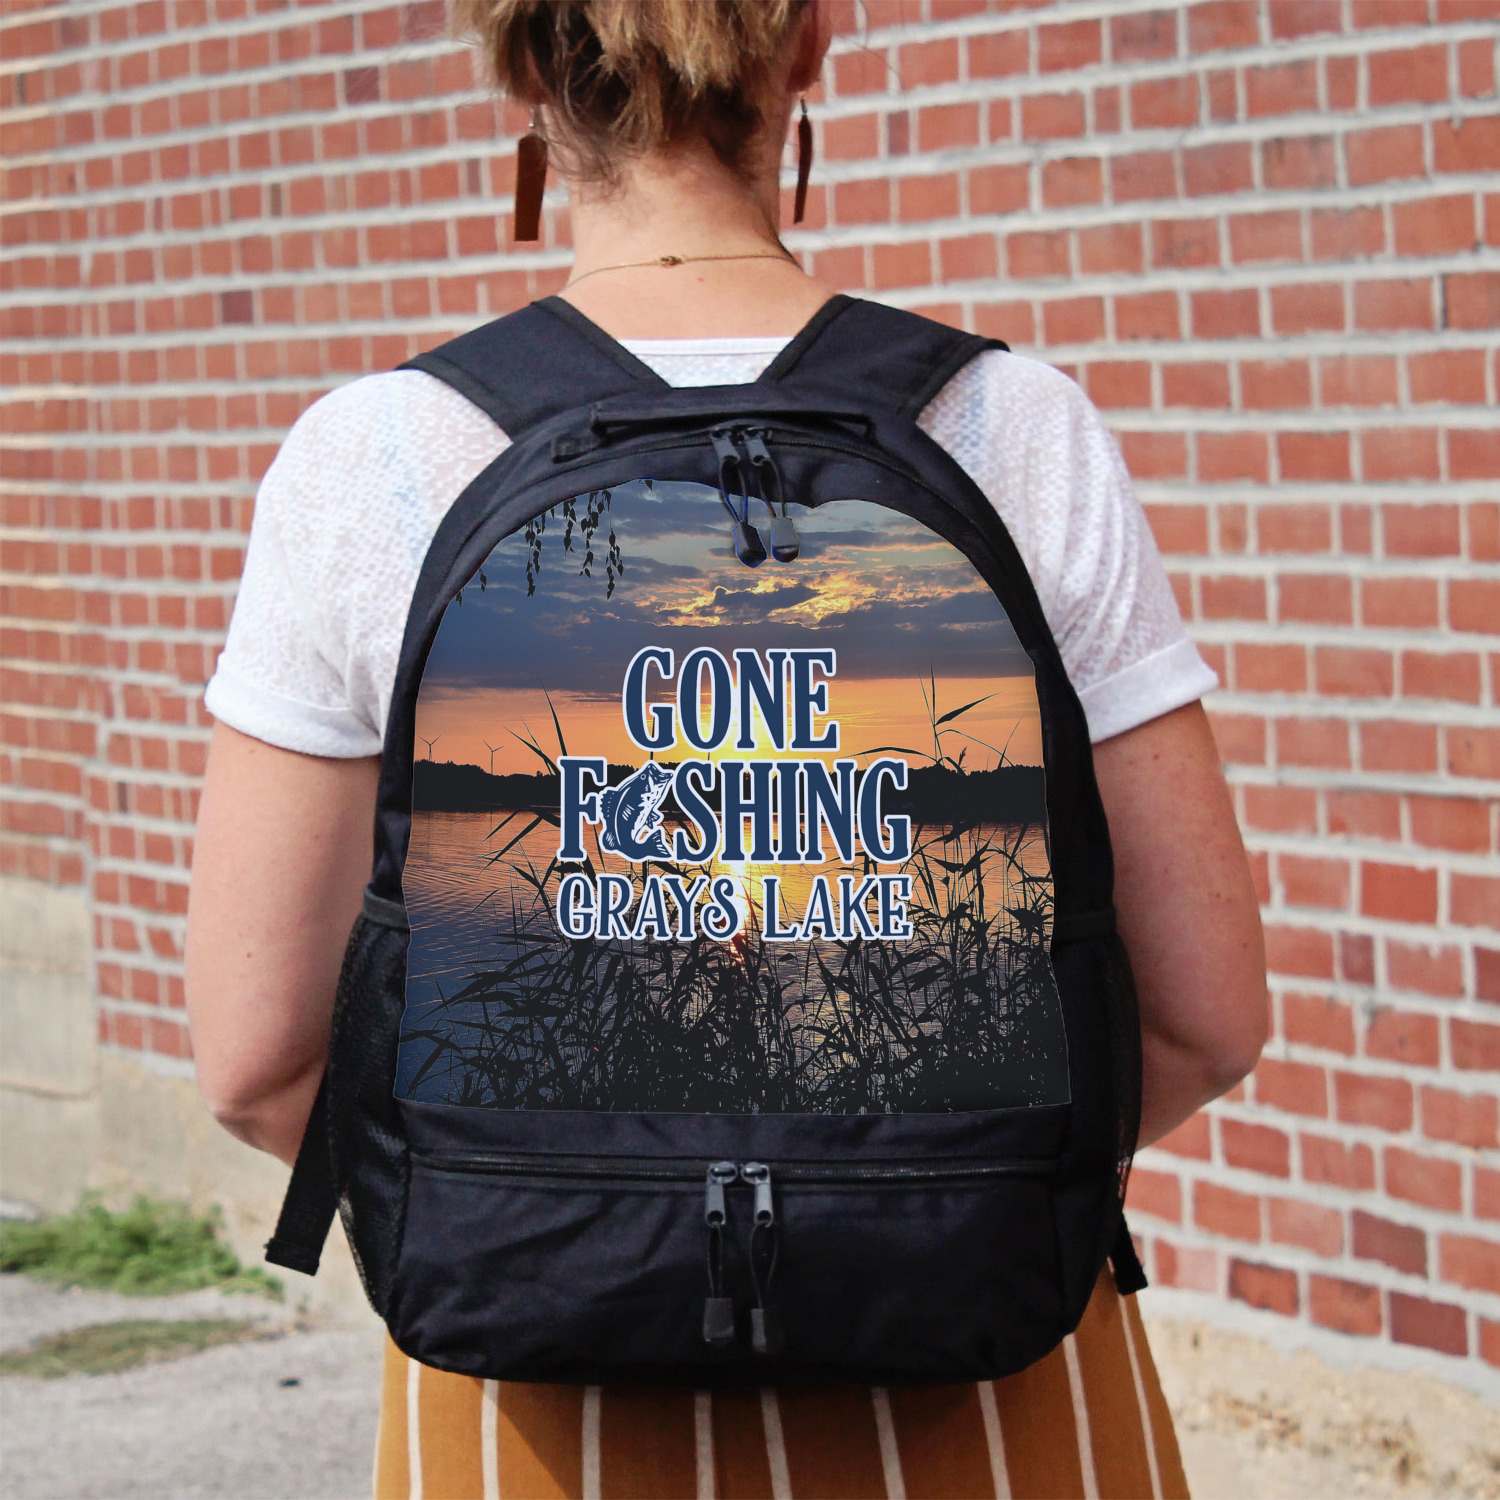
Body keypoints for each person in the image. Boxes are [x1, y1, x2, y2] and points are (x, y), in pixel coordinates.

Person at [185, 3, 1268, 1495]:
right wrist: (908, 1198)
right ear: (808, 41)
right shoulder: (1014, 428)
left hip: (537, 1386)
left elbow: (258, 1067)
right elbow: (1205, 1022)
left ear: (522, 64)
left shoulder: (369, 458)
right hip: (979, 1359)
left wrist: (571, 1213)